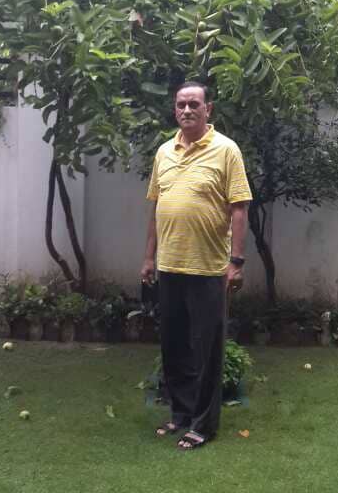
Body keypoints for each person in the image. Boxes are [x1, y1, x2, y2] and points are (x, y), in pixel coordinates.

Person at [140, 81, 252, 450]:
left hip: (208, 269)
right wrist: (149, 258)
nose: (186, 110)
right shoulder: (164, 152)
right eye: (181, 104)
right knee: (174, 347)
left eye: (194, 104)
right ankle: (181, 414)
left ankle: (204, 424)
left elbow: (239, 208)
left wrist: (236, 261)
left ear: (208, 109)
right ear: (175, 110)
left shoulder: (226, 150)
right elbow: (156, 208)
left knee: (207, 350)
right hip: (170, 266)